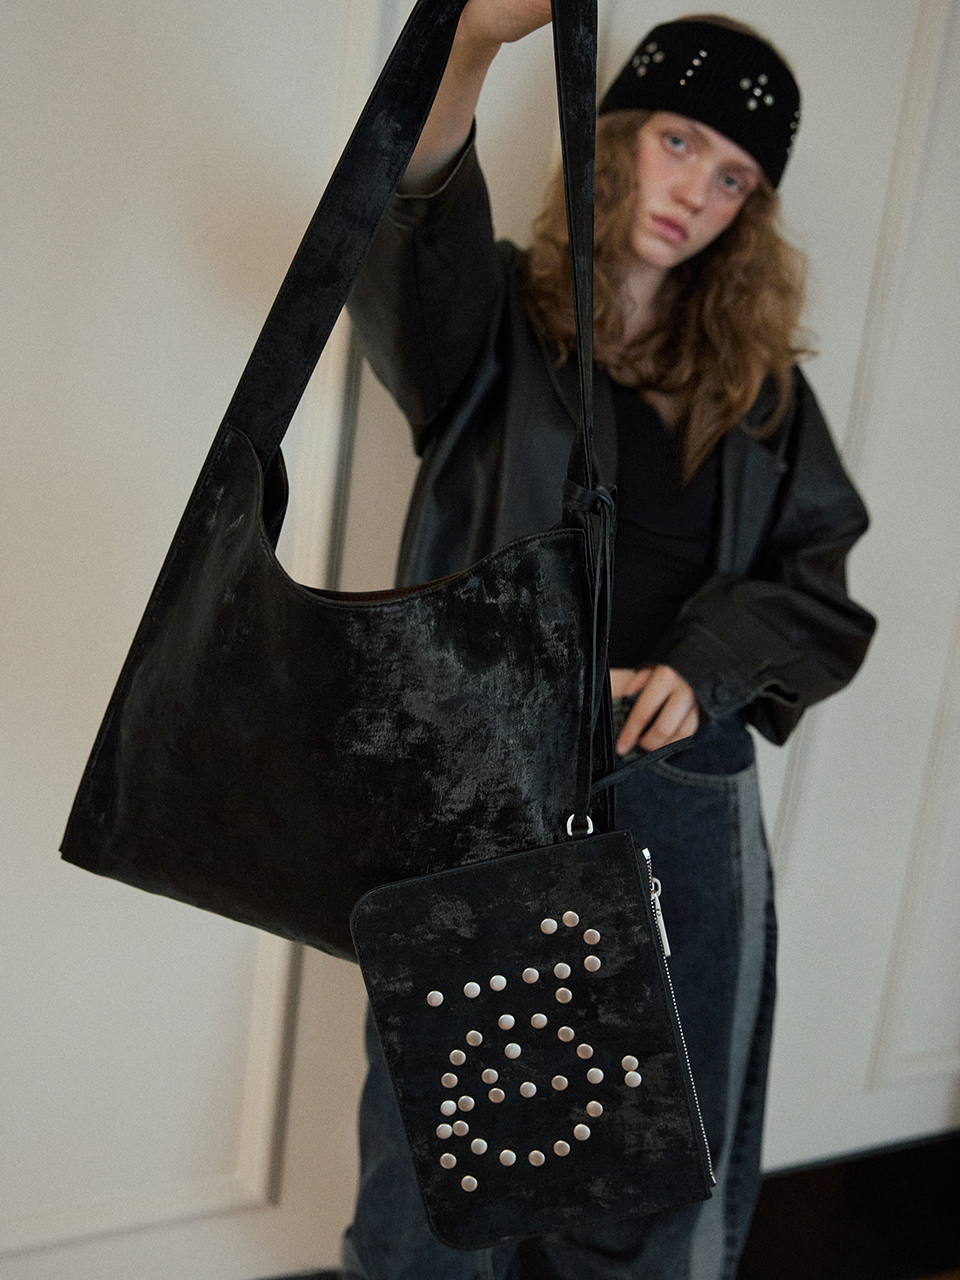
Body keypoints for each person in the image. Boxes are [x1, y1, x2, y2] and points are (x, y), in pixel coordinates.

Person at [264, 6, 875, 1280]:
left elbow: (817, 582)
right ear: (617, 138)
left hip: (683, 793)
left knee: (664, 1167)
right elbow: (412, 202)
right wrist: (470, 44)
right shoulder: (494, 324)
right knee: (441, 1165)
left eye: (733, 177)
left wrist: (704, 665)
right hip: (492, 779)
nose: (696, 191)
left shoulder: (761, 391)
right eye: (679, 142)